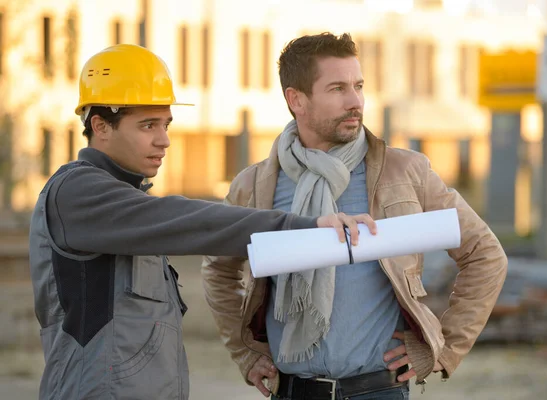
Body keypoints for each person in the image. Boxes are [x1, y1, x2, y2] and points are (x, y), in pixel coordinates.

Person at [28, 43, 377, 400]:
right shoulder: (77, 193)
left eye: (165, 124)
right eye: (147, 125)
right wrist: (301, 227)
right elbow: (189, 221)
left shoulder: (125, 202)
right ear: (100, 125)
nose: (163, 140)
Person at [202, 32, 508, 400]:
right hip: (294, 391)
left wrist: (444, 348)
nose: (355, 101)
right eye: (337, 89)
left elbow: (485, 254)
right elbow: (219, 268)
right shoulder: (254, 186)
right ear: (295, 99)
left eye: (358, 86)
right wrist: (246, 353)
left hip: (379, 390)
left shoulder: (406, 172)